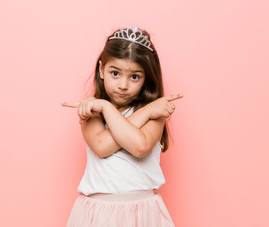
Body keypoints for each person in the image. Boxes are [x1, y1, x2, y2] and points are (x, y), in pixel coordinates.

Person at [62, 27, 183, 226]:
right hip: (97, 214)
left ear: (146, 78)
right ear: (102, 69)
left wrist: (145, 111)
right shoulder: (94, 110)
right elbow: (101, 146)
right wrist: (109, 107)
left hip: (142, 214)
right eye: (115, 73)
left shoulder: (156, 113)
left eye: (134, 76)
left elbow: (140, 146)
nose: (123, 85)